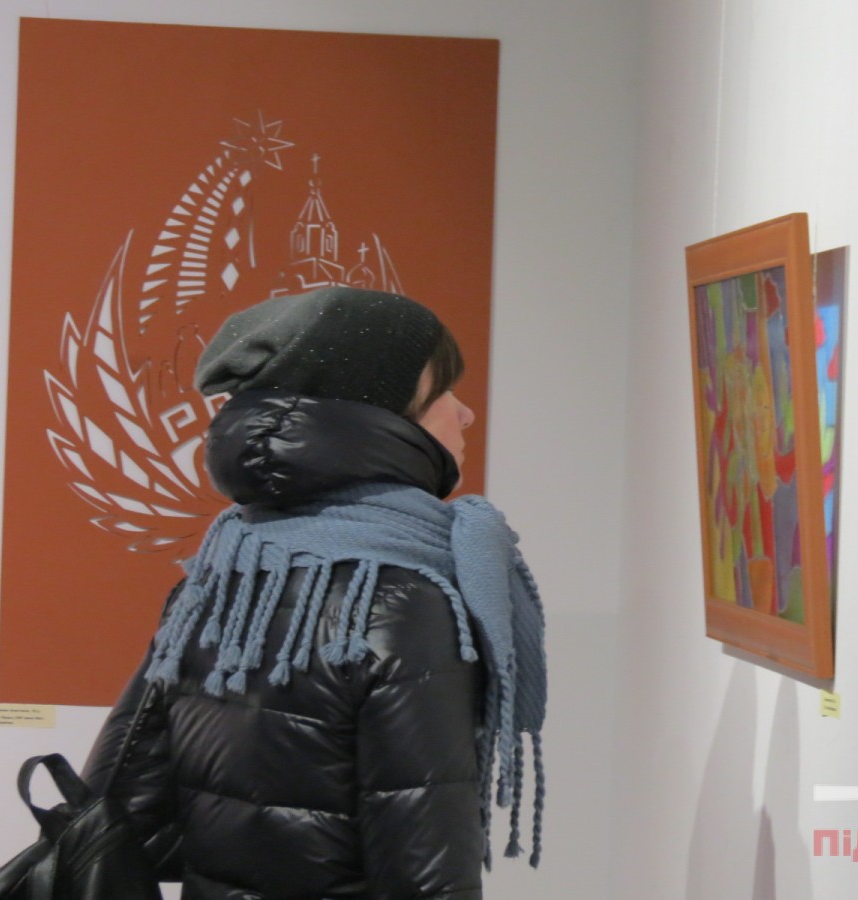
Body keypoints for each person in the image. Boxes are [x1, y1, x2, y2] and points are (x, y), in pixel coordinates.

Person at [82, 286, 547, 899]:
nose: (464, 415)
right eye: (443, 392)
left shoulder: (222, 572)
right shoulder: (399, 598)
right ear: (382, 413)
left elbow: (125, 804)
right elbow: (425, 872)